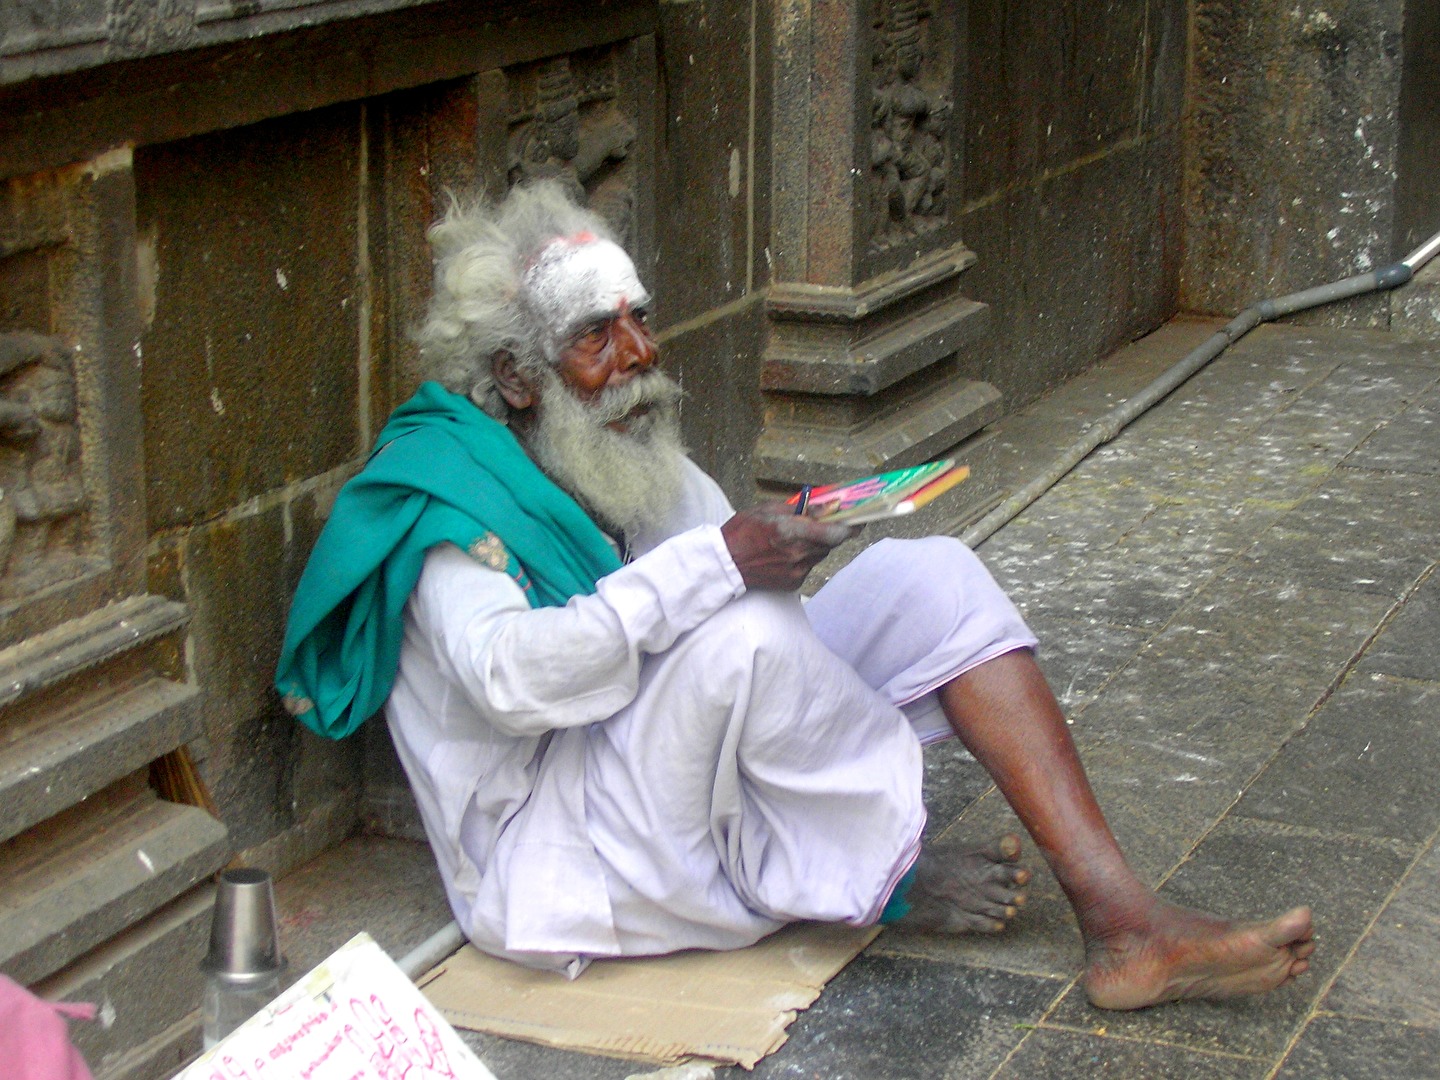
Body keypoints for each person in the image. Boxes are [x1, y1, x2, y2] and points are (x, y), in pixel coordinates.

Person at [276, 181, 1315, 1009]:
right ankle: (877, 880)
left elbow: (717, 579)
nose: (639, 354)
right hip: (556, 859)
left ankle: (1121, 918)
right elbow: (516, 682)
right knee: (748, 634)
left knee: (929, 579)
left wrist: (782, 545)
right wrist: (726, 565)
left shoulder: (612, 442)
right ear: (514, 376)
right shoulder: (449, 506)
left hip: (648, 770)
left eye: (640, 319)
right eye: (598, 336)